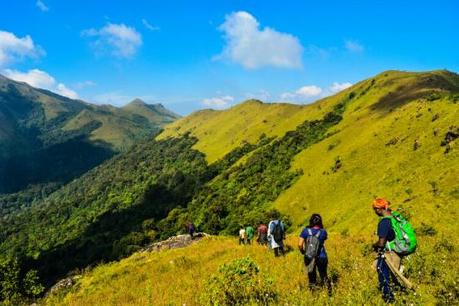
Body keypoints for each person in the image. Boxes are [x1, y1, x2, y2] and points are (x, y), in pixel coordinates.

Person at [372, 198, 401, 303]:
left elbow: (381, 243)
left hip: (388, 254)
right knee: (395, 275)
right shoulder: (393, 218)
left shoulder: (384, 222)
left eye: (375, 209)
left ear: (379, 209)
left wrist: (374, 246)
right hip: (396, 251)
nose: (375, 212)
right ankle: (399, 296)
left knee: (384, 276)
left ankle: (389, 299)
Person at [298, 214, 330, 291]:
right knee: (324, 275)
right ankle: (330, 293)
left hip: (309, 256)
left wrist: (303, 251)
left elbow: (299, 244)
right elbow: (324, 239)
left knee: (311, 276)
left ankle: (313, 293)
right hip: (322, 256)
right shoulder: (323, 232)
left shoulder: (305, 231)